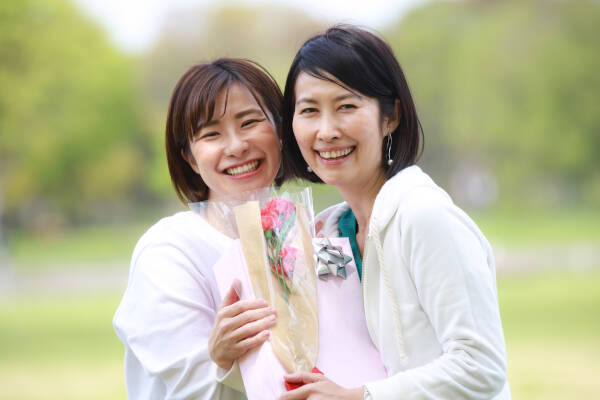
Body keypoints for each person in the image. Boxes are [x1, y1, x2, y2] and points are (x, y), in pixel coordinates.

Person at [279, 25, 511, 399]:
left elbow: (481, 365)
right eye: (308, 110)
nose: (326, 131)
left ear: (391, 117)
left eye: (346, 106)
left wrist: (361, 396)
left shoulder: (423, 217)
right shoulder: (330, 234)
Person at [113, 58, 285, 399]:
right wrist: (222, 360)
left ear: (281, 130)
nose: (236, 147)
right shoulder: (168, 251)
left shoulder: (305, 234)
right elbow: (190, 390)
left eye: (249, 122)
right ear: (189, 157)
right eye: (211, 134)